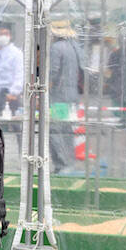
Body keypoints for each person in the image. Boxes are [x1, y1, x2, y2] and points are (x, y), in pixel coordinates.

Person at [48, 20, 82, 173]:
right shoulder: (75, 47)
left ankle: (62, 164)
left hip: (59, 97)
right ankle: (69, 161)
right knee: (67, 130)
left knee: (56, 130)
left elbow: (52, 74)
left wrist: (43, 93)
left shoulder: (56, 48)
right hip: (71, 95)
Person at [0, 24, 24, 116]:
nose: (3, 36)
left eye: (6, 34)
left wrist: (14, 92)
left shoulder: (16, 53)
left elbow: (19, 74)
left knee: (11, 122)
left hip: (10, 94)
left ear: (10, 36)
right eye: (0, 33)